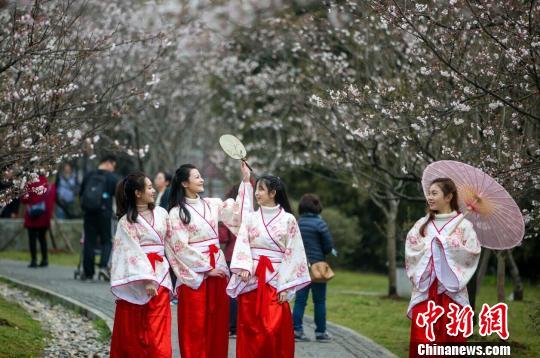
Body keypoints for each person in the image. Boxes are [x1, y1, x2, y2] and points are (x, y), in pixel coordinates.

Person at [165, 162, 252, 358]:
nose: (201, 179)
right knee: (194, 326)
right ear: (185, 183)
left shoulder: (212, 204)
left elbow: (238, 215)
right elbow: (179, 248)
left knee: (217, 325)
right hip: (194, 276)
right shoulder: (176, 213)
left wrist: (245, 181)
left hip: (218, 270)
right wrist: (206, 269)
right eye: (196, 177)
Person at [227, 175, 311, 358]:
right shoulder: (250, 218)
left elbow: (294, 252)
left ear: (273, 193)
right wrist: (244, 266)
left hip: (276, 281)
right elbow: (242, 243)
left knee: (272, 331)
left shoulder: (288, 219)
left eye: (261, 189)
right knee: (249, 330)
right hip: (252, 281)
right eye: (256, 189)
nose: (257, 193)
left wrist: (286, 285)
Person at [406, 178, 481, 357]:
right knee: (423, 340)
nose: (429, 197)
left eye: (434, 193)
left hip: (451, 293)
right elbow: (411, 249)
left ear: (448, 197)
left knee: (451, 341)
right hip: (426, 291)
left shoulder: (464, 225)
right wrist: (430, 247)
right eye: (429, 193)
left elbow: (473, 252)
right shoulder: (421, 224)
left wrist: (450, 246)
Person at [109, 172, 173, 357]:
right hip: (136, 283)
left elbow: (173, 244)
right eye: (150, 187)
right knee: (134, 334)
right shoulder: (126, 222)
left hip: (161, 278)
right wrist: (146, 279)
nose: (154, 190)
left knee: (158, 333)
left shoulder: (162, 213)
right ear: (138, 193)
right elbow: (129, 252)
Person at [293, 194, 334, 342]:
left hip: (301, 267)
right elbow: (328, 247)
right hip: (318, 267)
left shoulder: (296, 223)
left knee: (300, 301)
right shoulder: (320, 224)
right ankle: (320, 332)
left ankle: (296, 331)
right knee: (320, 301)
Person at [79, 155, 118, 281]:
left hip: (89, 213)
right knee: (107, 241)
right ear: (108, 163)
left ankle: (88, 272)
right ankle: (103, 267)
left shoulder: (88, 175)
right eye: (113, 166)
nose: (113, 169)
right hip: (104, 214)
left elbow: (81, 194)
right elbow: (117, 197)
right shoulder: (112, 178)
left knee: (89, 242)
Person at [218, 183, 240, 337]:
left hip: (231, 256)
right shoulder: (247, 211)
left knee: (232, 292)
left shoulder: (228, 211)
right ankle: (238, 325)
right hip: (247, 258)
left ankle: (232, 326)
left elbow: (223, 237)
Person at [21, 175, 56, 268]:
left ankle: (34, 260)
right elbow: (51, 200)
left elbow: (24, 199)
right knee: (42, 239)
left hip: (31, 215)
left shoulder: (29, 183)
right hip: (44, 216)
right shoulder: (48, 184)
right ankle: (44, 259)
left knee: (32, 239)